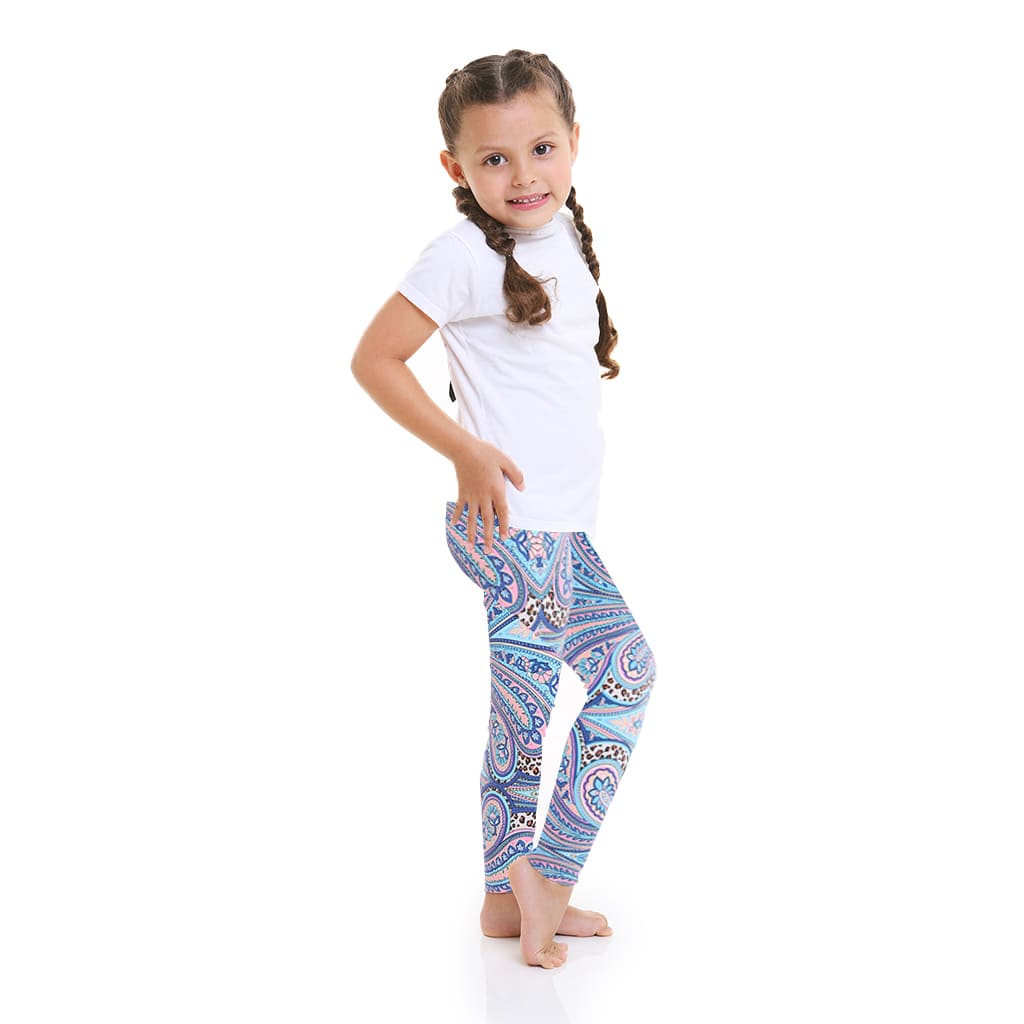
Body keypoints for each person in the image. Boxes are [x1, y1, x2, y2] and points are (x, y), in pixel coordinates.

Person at [350, 49, 657, 970]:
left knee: (623, 676)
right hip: (512, 532)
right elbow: (374, 359)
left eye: (541, 148)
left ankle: (507, 895)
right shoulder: (458, 257)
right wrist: (464, 449)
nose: (523, 175)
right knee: (535, 712)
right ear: (456, 167)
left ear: (575, 143)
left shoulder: (563, 236)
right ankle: (540, 885)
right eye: (494, 159)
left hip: (562, 532)